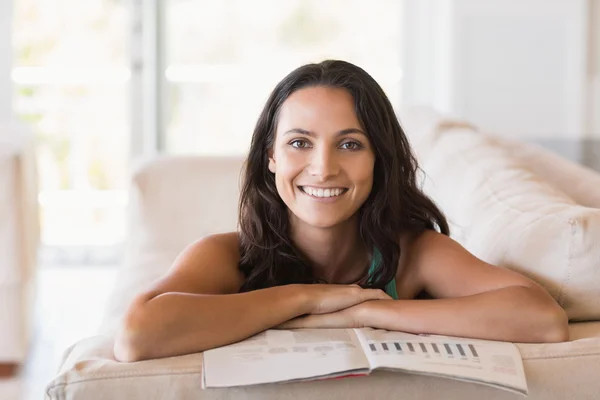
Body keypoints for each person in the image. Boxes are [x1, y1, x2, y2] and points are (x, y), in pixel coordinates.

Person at [113, 60, 568, 362]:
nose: (323, 168)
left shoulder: (415, 252)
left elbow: (542, 319)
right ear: (270, 157)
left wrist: (366, 312)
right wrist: (306, 298)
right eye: (299, 143)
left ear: (378, 159)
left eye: (350, 144)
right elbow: (136, 335)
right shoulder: (226, 255)